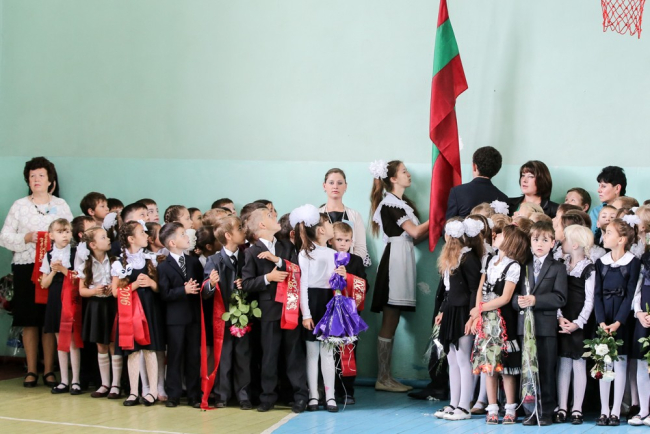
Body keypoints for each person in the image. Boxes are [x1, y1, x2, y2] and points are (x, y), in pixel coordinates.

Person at [0, 156, 73, 388]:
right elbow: (4, 237)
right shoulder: (19, 205)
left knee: (48, 319)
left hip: (54, 269)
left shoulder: (61, 205)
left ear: (50, 180)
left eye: (41, 175)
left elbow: (70, 234)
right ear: (28, 181)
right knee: (29, 319)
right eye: (32, 176)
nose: (36, 179)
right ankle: (31, 370)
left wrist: (57, 241)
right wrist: (26, 237)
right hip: (25, 267)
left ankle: (49, 370)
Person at [241, 206, 308, 413]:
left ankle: (300, 396)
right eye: (270, 216)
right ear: (262, 225)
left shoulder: (286, 246)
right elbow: (247, 283)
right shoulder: (251, 252)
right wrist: (267, 278)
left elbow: (297, 269)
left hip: (290, 307)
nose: (275, 217)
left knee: (294, 354)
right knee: (269, 355)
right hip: (269, 311)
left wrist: (280, 263)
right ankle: (267, 397)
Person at [369, 160, 429, 392]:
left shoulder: (402, 204)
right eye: (404, 171)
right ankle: (383, 377)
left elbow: (415, 237)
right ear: (393, 178)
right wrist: (437, 217)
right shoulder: (390, 203)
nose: (408, 174)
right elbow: (414, 231)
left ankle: (386, 376)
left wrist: (437, 227)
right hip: (394, 263)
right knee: (390, 318)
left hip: (403, 260)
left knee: (392, 319)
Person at [467, 225, 529, 425]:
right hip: (486, 318)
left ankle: (510, 407)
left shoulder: (514, 267)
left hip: (504, 321)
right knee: (489, 365)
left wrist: (480, 308)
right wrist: (478, 312)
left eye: (501, 234)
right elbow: (480, 288)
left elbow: (505, 298)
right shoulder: (489, 261)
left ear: (510, 240)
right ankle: (492, 407)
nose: (495, 235)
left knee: (506, 367)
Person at [514, 221, 568, 426]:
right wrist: (518, 302)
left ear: (552, 243)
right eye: (536, 239)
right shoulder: (522, 265)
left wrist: (536, 300)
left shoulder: (557, 267)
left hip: (546, 328)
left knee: (545, 370)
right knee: (528, 370)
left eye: (545, 240)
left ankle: (545, 412)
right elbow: (513, 295)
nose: (539, 244)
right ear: (530, 241)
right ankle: (529, 411)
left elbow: (560, 297)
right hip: (524, 326)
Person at [432, 218, 483, 421]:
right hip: (451, 312)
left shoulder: (468, 258)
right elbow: (448, 290)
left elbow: (474, 289)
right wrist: (442, 311)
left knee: (463, 359)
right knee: (452, 359)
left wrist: (473, 315)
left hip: (463, 313)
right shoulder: (451, 259)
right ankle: (454, 403)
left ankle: (464, 406)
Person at [593, 217, 641, 426]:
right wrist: (601, 322)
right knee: (604, 363)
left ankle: (615, 411)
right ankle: (604, 410)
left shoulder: (633, 262)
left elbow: (630, 294)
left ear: (621, 239)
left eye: (609, 233)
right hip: (604, 320)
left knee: (620, 364)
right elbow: (596, 294)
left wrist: (618, 322)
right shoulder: (600, 262)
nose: (604, 236)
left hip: (622, 319)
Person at [293, 206, 340, 413]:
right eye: (328, 223)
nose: (332, 226)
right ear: (321, 230)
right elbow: (302, 285)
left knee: (328, 353)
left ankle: (330, 396)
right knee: (312, 353)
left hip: (328, 302)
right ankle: (313, 395)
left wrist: (341, 276)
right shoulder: (305, 254)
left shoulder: (333, 253)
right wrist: (306, 314)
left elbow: (336, 284)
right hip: (312, 303)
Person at [111, 221, 163, 407]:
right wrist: (134, 285)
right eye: (142, 233)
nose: (146, 236)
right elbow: (115, 292)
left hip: (149, 309)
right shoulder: (119, 263)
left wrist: (151, 283)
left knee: (150, 349)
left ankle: (153, 391)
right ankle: (134, 391)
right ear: (131, 239)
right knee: (132, 351)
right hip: (129, 311)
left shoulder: (150, 259)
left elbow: (159, 288)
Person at [203, 216, 252, 410]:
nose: (244, 231)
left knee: (243, 357)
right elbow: (205, 291)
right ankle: (222, 395)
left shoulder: (246, 256)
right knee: (223, 357)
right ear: (228, 235)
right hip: (222, 317)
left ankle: (244, 395)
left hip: (243, 316)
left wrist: (245, 285)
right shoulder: (214, 260)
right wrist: (211, 283)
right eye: (239, 228)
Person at [157, 222, 203, 408]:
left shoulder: (193, 262)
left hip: (193, 316)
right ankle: (173, 394)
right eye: (183, 234)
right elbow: (164, 294)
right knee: (175, 356)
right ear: (172, 243)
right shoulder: (164, 266)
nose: (187, 237)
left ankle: (194, 395)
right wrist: (183, 290)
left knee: (193, 356)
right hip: (175, 319)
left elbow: (200, 285)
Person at [556, 225, 596, 425]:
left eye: (564, 239)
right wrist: (559, 316)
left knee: (579, 363)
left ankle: (577, 407)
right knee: (563, 363)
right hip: (563, 318)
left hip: (579, 321)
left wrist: (579, 323)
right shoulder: (562, 264)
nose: (561, 242)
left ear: (574, 245)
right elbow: (557, 292)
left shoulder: (589, 268)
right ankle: (562, 406)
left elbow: (590, 300)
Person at [77, 226, 122, 399]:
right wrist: (95, 291)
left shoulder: (115, 261)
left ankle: (116, 385)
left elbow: (122, 281)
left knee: (113, 343)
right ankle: (104, 384)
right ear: (93, 245)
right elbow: (82, 291)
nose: (108, 239)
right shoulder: (85, 264)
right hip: (96, 305)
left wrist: (113, 287)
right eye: (103, 237)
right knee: (101, 345)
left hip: (112, 304)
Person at [40, 218, 80, 395]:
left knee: (72, 340)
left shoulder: (75, 252)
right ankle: (64, 380)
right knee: (59, 339)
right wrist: (54, 271)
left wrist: (63, 269)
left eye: (67, 231)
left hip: (70, 297)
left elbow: (78, 277)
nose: (64, 235)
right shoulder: (48, 255)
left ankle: (76, 380)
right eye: (60, 232)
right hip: (55, 297)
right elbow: (44, 284)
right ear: (51, 235)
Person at [318, 168, 369, 266]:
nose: (335, 186)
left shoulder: (355, 215)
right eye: (331, 183)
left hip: (349, 268)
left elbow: (361, 248)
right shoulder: (316, 215)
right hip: (322, 267)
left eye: (340, 183)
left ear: (345, 186)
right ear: (324, 186)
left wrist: (347, 265)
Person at [445, 146, 508, 219]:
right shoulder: (503, 198)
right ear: (497, 171)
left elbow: (449, 223)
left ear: (474, 166)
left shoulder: (457, 192)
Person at [589, 166, 627, 232]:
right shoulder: (596, 211)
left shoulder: (630, 209)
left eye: (603, 186)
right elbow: (592, 235)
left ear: (617, 188)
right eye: (599, 186)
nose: (598, 190)